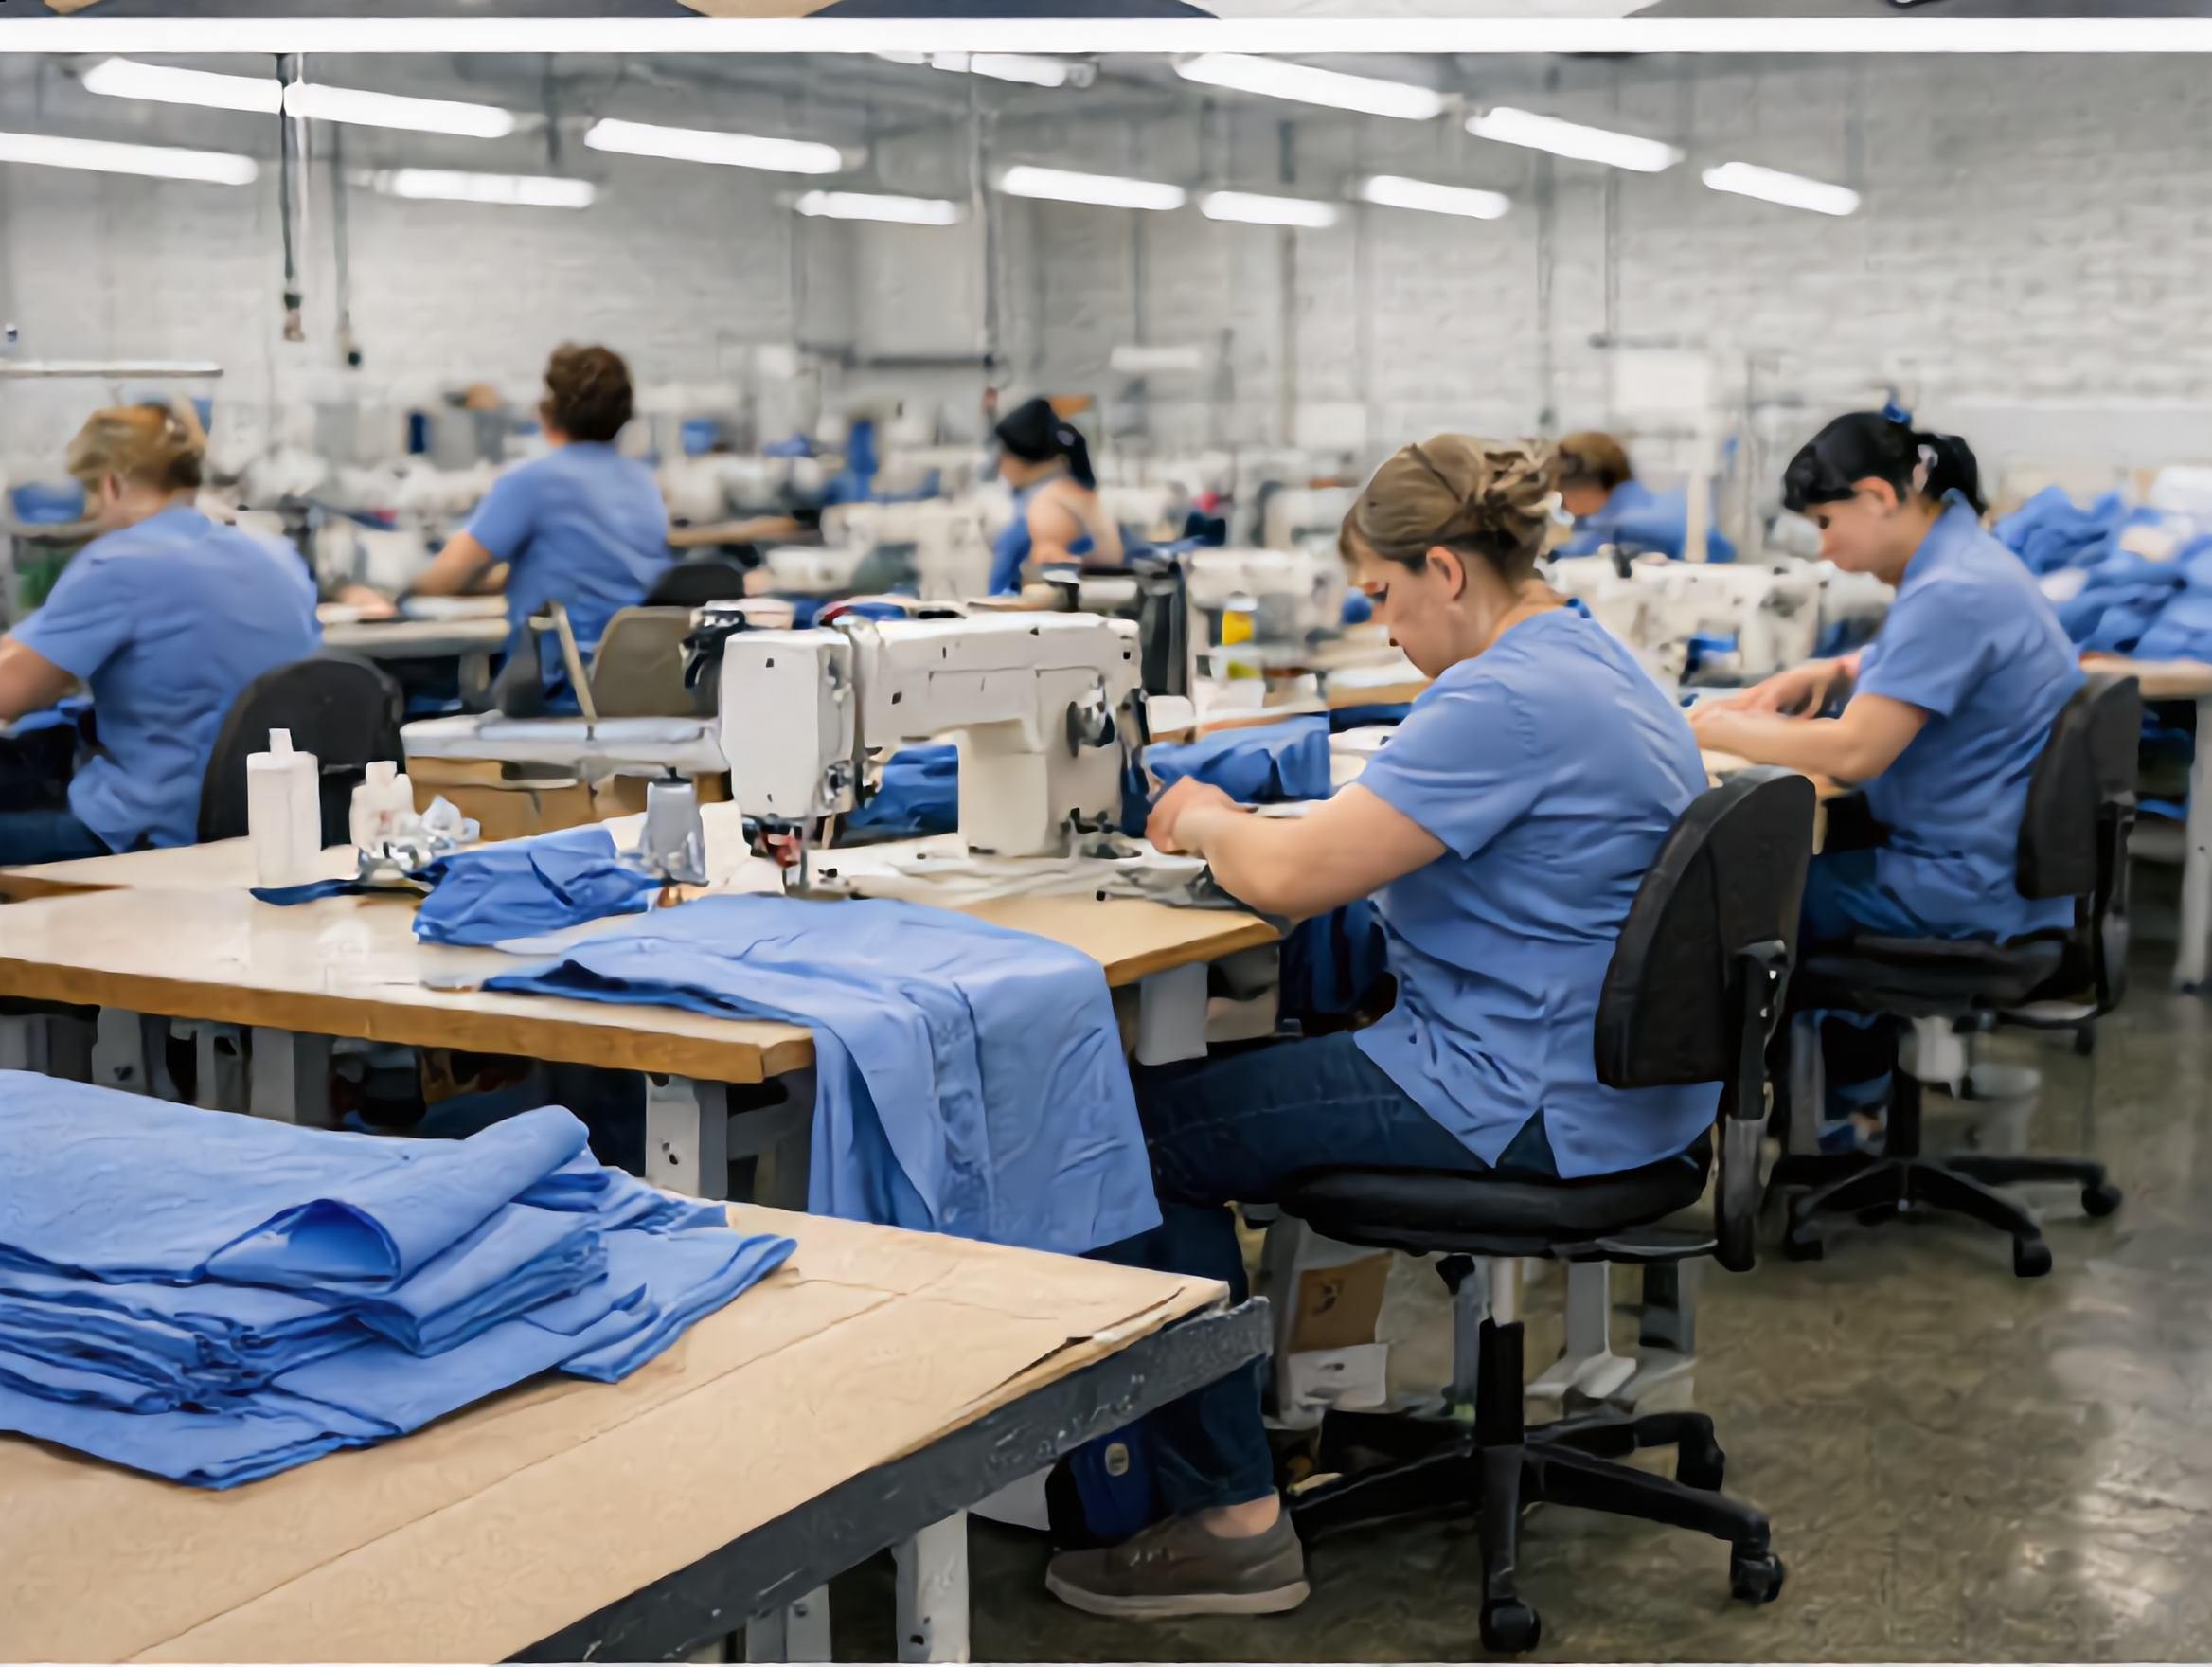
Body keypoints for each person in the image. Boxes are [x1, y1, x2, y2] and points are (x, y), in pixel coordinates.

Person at [1044, 436, 1719, 1619]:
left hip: (1516, 1092)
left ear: (1444, 571)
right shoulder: (1589, 659)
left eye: (1380, 595)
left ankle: (1229, 1523)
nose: (1383, 625)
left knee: (1127, 1137)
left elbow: (1293, 876)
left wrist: (1200, 813)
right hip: (1627, 1093)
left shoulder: (1499, 698)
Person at [1687, 412, 2081, 946]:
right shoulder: (1970, 560)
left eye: (1825, 522)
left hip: (1960, 887)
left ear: (1877, 496)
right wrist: (1841, 668)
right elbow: (1952, 655)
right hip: (1994, 868)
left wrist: (1708, 727)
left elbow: (1854, 752)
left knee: (1716, 903)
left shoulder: (1949, 591)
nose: (1824, 549)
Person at [0, 403, 320, 866]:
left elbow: (9, 694)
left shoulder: (119, 562)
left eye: (89, 494)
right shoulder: (277, 555)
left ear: (111, 484)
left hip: (156, 830)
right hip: (266, 822)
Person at [409, 344, 669, 686]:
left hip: (558, 685)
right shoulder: (645, 486)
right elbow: (592, 569)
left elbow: (448, 575)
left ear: (550, 411)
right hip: (632, 684)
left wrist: (387, 592)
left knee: (422, 690)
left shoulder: (533, 482)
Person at [987, 396, 1123, 594]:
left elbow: (1004, 588)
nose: (1000, 464)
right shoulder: (1075, 494)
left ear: (1013, 459)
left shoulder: (1046, 504)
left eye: (1003, 455)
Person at [1554, 429, 1737, 564]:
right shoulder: (1606, 519)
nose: (1561, 504)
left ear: (1590, 487)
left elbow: (1713, 547)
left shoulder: (1634, 522)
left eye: (1562, 492)